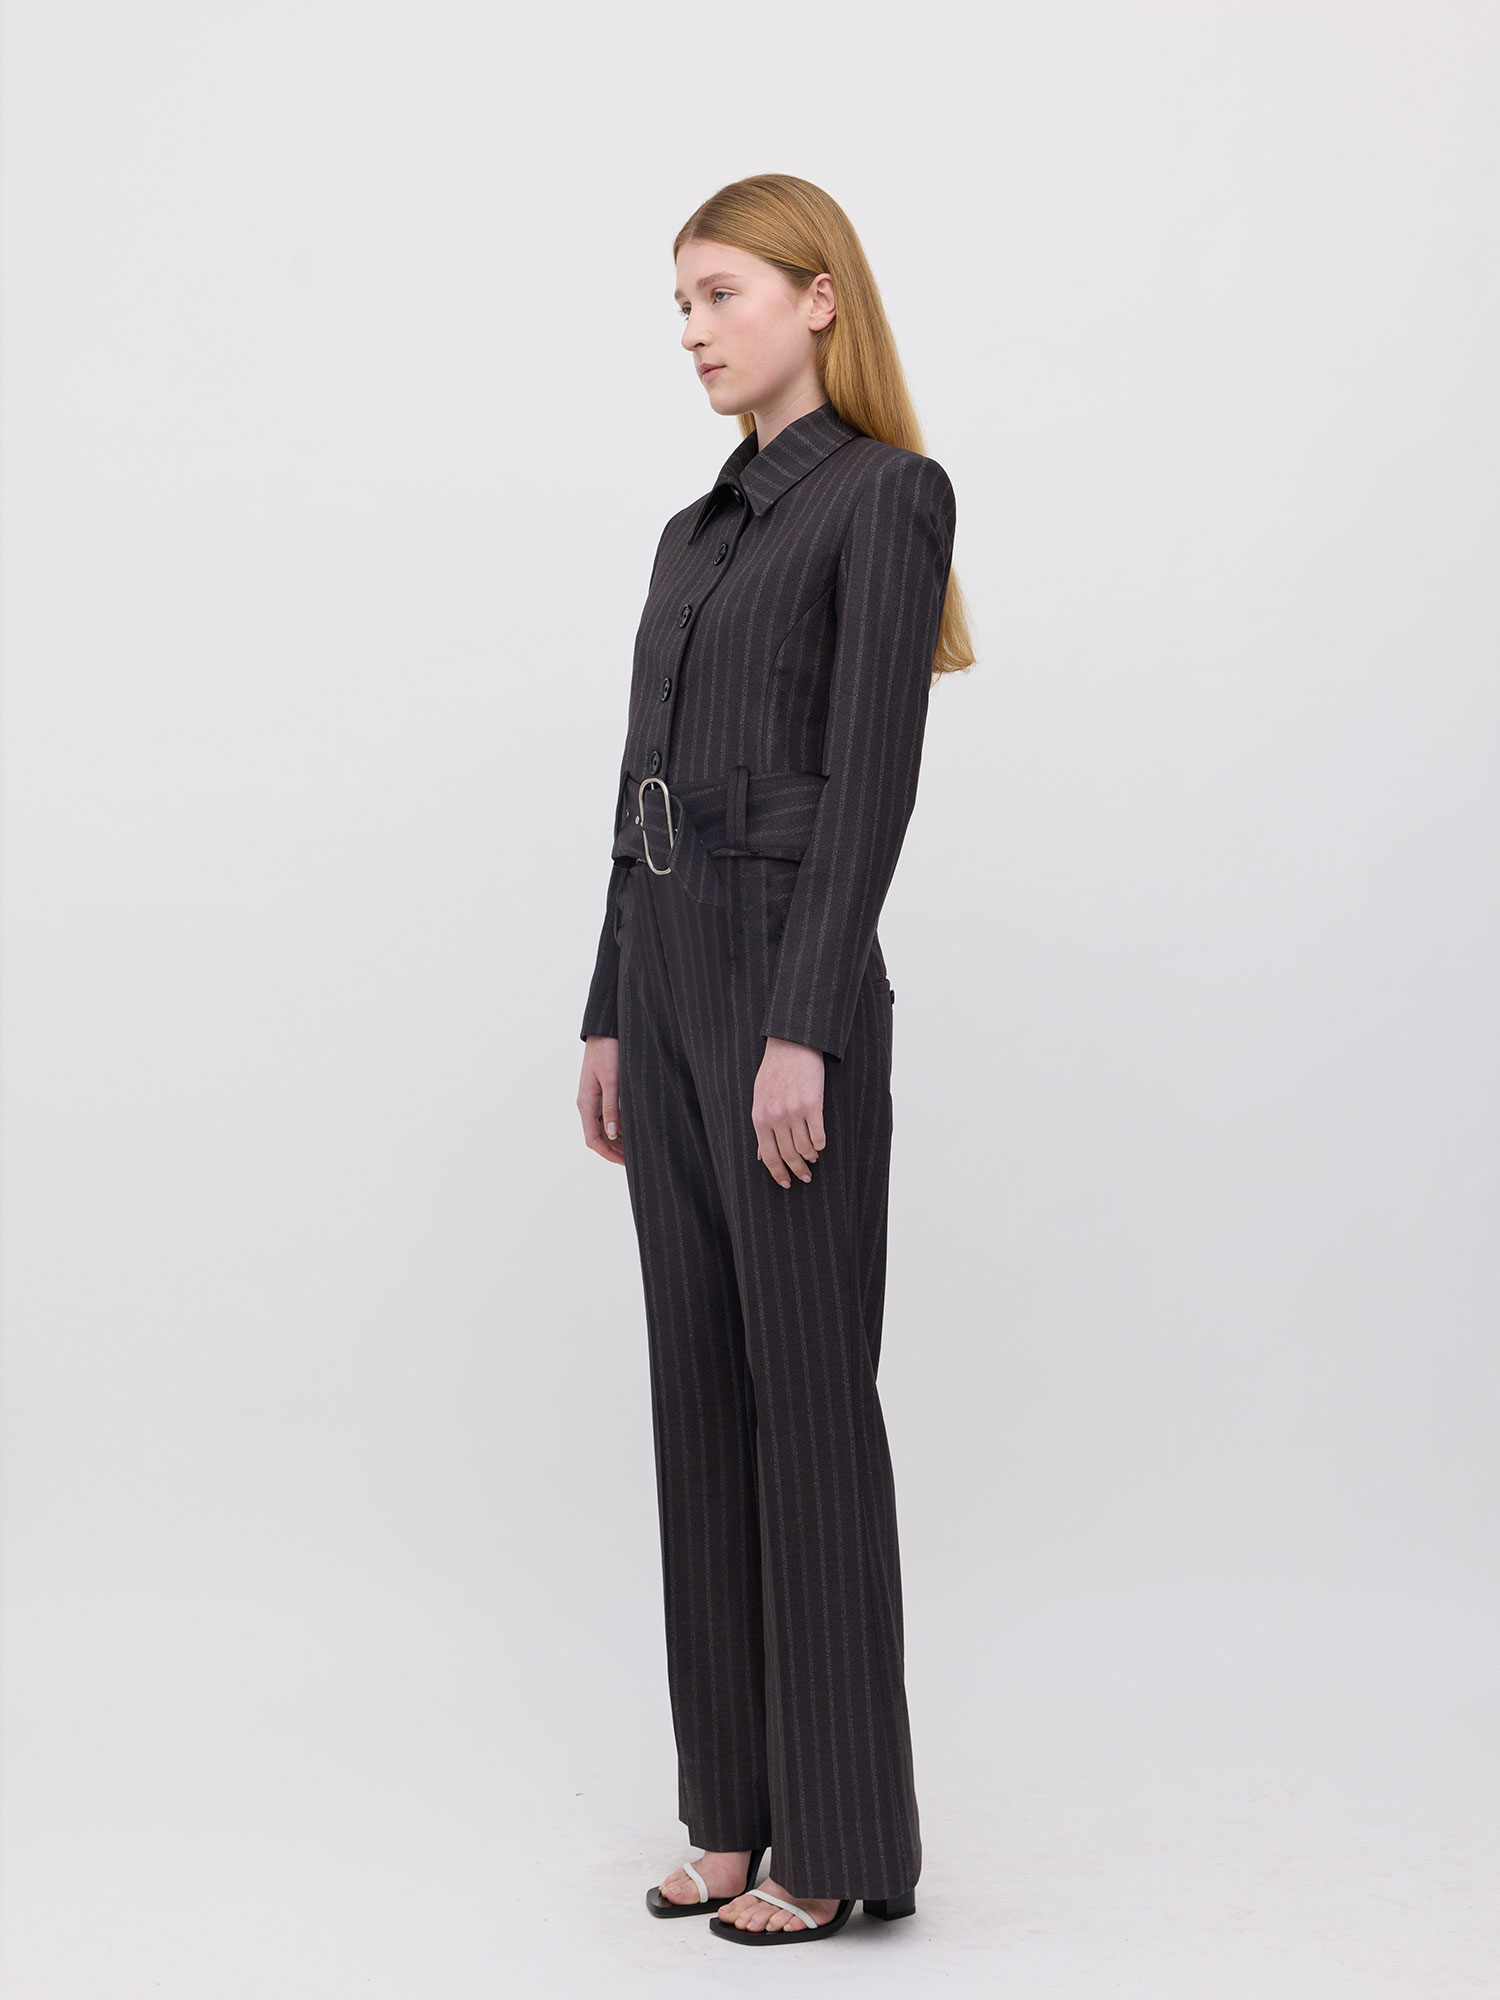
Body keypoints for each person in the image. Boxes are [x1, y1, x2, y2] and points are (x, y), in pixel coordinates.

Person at [575, 172, 973, 1946]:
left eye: (720, 293)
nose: (692, 331)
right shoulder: (692, 534)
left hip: (781, 982)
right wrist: (607, 1007)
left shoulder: (887, 498)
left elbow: (872, 781)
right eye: (680, 304)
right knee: (697, 1394)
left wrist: (802, 1020)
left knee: (807, 1397)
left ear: (818, 298)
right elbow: (638, 789)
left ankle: (839, 1837)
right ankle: (729, 1815)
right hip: (665, 980)